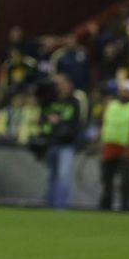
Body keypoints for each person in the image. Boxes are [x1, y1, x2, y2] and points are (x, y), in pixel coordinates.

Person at [99, 79, 129, 212]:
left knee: (126, 180)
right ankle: (105, 205)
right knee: (107, 179)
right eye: (123, 90)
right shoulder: (111, 104)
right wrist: (97, 141)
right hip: (110, 146)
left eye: (128, 91)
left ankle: (125, 207)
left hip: (126, 147)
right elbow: (103, 123)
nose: (124, 93)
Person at [40, 75, 80, 209]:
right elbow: (43, 113)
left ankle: (60, 205)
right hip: (52, 141)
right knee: (51, 175)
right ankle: (49, 203)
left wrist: (58, 121)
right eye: (58, 84)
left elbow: (73, 122)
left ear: (69, 85)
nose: (59, 87)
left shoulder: (74, 101)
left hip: (66, 143)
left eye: (62, 84)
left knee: (63, 175)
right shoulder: (51, 99)